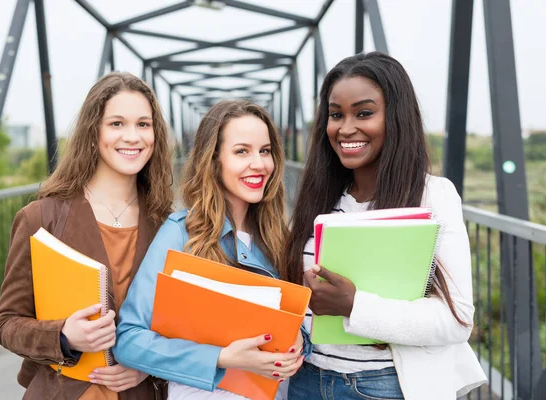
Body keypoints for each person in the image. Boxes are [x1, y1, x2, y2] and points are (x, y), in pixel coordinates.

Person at [285, 52, 487, 400]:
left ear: (395, 117)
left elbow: (457, 321)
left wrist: (353, 305)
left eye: (364, 113)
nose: (346, 128)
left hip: (383, 385)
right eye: (336, 115)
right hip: (307, 380)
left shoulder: (433, 196)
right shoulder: (319, 198)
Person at [0, 71, 173, 400]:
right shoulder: (42, 218)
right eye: (116, 124)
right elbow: (7, 323)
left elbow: (182, 324)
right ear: (94, 132)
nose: (132, 136)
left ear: (155, 135)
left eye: (143, 125)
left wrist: (149, 364)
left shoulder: (169, 224)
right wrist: (63, 335)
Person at [113, 100, 308, 400]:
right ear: (214, 159)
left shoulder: (280, 239)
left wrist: (299, 342)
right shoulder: (181, 234)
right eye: (242, 151)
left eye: (265, 151)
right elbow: (129, 341)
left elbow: (302, 324)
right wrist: (222, 357)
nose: (259, 163)